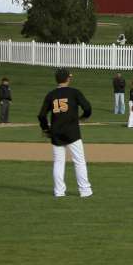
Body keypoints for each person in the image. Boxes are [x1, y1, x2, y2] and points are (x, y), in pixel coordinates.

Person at [37, 68, 93, 198]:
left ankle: (59, 192)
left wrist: (45, 129)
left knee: (58, 162)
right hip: (72, 132)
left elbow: (41, 115)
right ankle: (85, 190)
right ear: (68, 78)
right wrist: (84, 117)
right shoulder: (74, 92)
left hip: (56, 132)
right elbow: (87, 107)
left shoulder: (51, 95)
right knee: (79, 161)